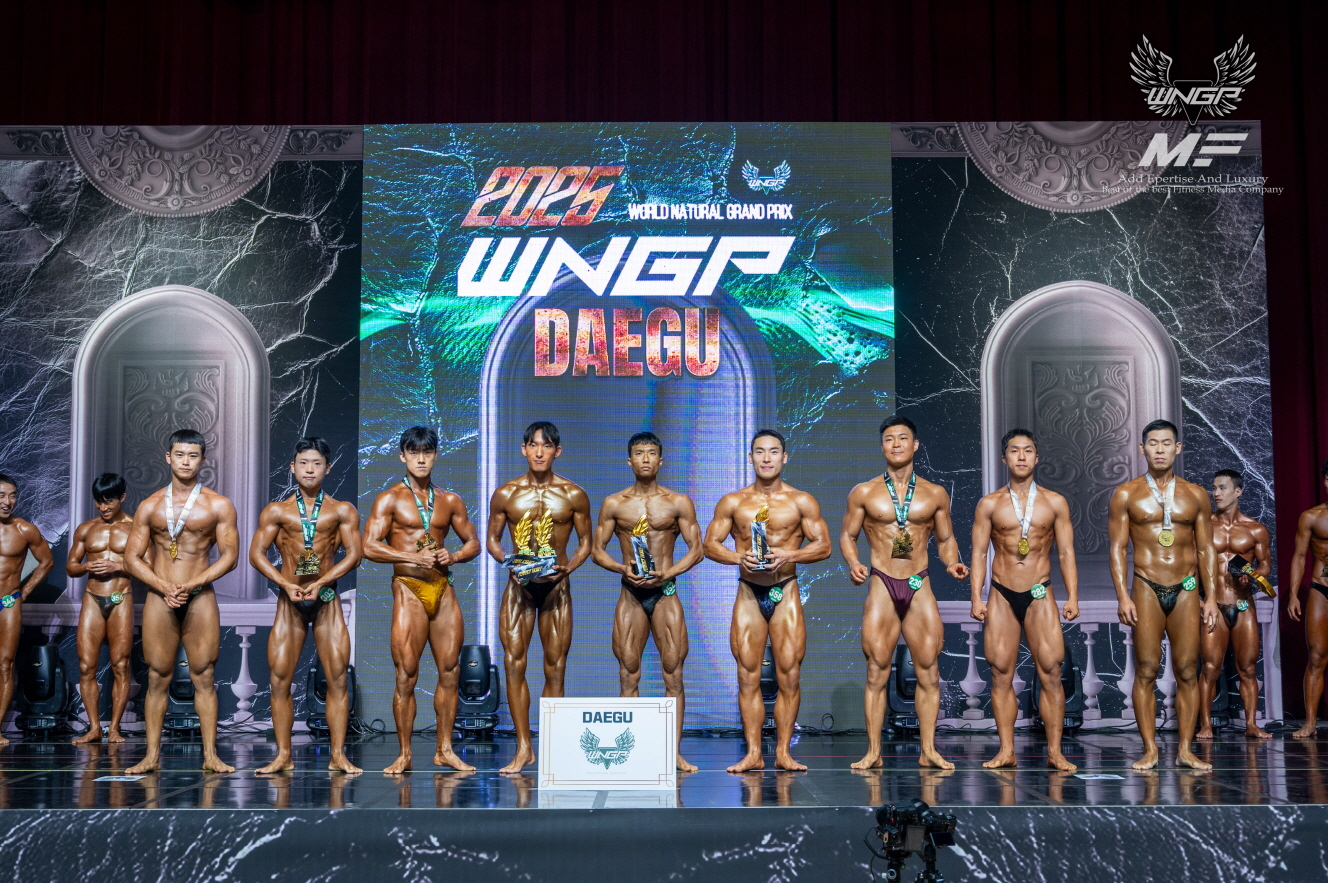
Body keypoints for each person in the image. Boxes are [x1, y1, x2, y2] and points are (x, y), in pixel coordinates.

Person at [840, 416, 967, 771]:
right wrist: (853, 563)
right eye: (889, 439)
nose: (896, 444)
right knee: (876, 669)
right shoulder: (864, 492)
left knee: (928, 670)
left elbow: (945, 538)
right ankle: (873, 751)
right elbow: (848, 535)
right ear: (882, 446)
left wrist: (952, 563)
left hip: (918, 583)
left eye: (903, 438)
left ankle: (928, 750)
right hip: (882, 582)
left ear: (915, 445)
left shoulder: (935, 494)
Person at [704, 429, 831, 773]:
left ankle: (784, 753)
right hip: (749, 592)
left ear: (784, 457)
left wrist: (790, 554)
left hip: (785, 590)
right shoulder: (733, 502)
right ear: (751, 458)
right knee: (748, 676)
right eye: (759, 452)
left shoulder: (801, 501)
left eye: (773, 451)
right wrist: (738, 557)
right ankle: (754, 753)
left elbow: (824, 546)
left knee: (789, 675)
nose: (766, 458)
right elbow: (709, 544)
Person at [364, 426, 481, 774]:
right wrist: (412, 557)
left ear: (435, 456)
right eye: (414, 452)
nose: (420, 459)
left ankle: (444, 749)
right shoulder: (389, 499)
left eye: (427, 452)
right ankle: (404, 753)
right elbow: (369, 546)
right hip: (409, 587)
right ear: (403, 456)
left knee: (451, 670)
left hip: (442, 589)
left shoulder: (450, 500)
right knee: (407, 673)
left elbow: (473, 542)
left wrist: (453, 556)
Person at [123, 429, 239, 774]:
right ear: (168, 457)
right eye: (180, 454)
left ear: (202, 460)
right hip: (161, 596)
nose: (186, 461)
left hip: (199, 596)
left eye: (193, 455)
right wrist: (163, 585)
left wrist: (191, 584)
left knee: (204, 674)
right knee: (157, 675)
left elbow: (230, 556)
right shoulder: (149, 505)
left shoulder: (218, 505)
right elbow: (131, 558)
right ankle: (151, 756)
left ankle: (210, 756)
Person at [1108, 419, 1220, 772]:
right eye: (1153, 443)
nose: (1160, 449)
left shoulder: (1196, 494)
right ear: (1142, 449)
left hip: (1186, 587)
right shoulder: (1126, 494)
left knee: (1187, 669)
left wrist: (1211, 597)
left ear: (1178, 448)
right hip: (1146, 585)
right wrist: (1122, 596)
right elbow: (1117, 548)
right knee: (1146, 669)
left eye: (1166, 443)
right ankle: (1150, 749)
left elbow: (1206, 549)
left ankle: (1185, 749)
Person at [590, 431, 705, 773]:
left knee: (674, 673)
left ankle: (674, 753)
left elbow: (697, 550)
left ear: (660, 460)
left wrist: (669, 573)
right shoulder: (614, 503)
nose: (645, 459)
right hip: (631, 593)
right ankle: (634, 752)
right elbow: (597, 551)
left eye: (651, 453)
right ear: (629, 461)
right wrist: (621, 568)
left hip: (665, 593)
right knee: (628, 673)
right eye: (639, 453)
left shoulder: (678, 502)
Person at [249, 437, 364, 774]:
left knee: (337, 679)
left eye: (316, 463)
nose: (309, 469)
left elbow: (355, 555)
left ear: (327, 468)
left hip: (326, 600)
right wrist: (284, 583)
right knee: (279, 680)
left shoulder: (342, 510)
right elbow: (256, 554)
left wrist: (322, 581)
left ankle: (338, 755)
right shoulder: (277, 511)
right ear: (292, 467)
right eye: (303, 463)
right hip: (290, 601)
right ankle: (283, 756)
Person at [969, 429, 1080, 771]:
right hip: (1001, 593)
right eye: (1014, 451)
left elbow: (1066, 552)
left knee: (1051, 672)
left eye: (1028, 450)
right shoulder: (989, 504)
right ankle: (1006, 751)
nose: (1021, 456)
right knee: (1000, 673)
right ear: (1004, 458)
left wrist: (1073, 596)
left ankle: (1055, 752)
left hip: (1039, 591)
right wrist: (976, 596)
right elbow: (979, 553)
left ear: (1036, 457)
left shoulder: (1055, 502)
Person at [486, 421, 592, 774]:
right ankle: (523, 747)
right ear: (524, 449)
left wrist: (567, 569)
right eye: (533, 445)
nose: (540, 452)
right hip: (519, 587)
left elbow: (586, 544)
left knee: (555, 667)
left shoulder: (574, 494)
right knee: (514, 663)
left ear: (557, 451)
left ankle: (551, 747)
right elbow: (492, 540)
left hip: (556, 588)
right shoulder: (506, 494)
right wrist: (510, 562)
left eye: (547, 446)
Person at [1197, 469, 1272, 740]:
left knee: (1248, 669)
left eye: (1222, 488)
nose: (1216, 493)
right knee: (1209, 668)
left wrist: (1254, 574)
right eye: (1214, 488)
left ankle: (1251, 724)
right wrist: (1199, 601)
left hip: (1243, 605)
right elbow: (1189, 569)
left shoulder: (1255, 529)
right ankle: (1205, 725)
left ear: (1238, 491)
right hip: (1214, 605)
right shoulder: (1204, 526)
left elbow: (1265, 564)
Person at [66, 473, 137, 744]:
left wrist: (117, 565)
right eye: (99, 501)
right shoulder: (86, 529)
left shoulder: (135, 527)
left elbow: (149, 566)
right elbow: (71, 567)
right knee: (86, 665)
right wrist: (86, 566)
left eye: (109, 501)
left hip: (121, 598)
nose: (103, 507)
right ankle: (94, 728)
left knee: (121, 664)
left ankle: (115, 728)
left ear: (122, 498)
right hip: (92, 598)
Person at [0, 472, 54, 746]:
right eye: (1, 495)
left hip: (7, 603)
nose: (7, 501)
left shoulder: (24, 530)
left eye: (12, 496)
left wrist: (25, 591)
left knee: (6, 664)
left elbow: (47, 561)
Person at [1288, 459, 1328, 738]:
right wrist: (1293, 594)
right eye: (1327, 478)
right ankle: (1310, 722)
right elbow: (1300, 556)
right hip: (1320, 588)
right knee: (1316, 656)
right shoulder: (1311, 516)